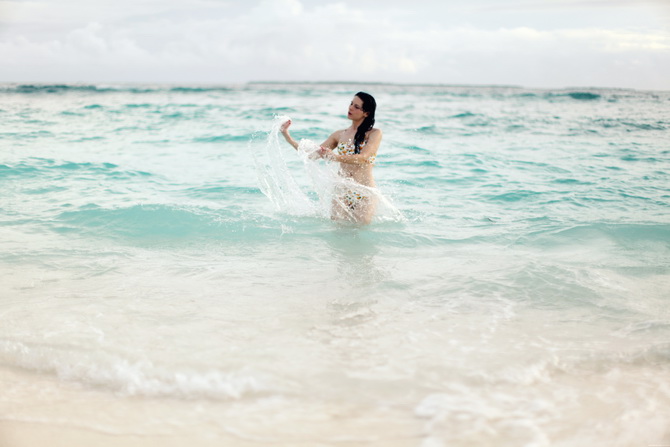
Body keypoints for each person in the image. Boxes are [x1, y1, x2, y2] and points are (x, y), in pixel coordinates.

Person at [280, 92, 382, 225]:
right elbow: (312, 155)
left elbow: (363, 158)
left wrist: (335, 157)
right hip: (341, 192)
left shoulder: (374, 133)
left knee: (361, 235)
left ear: (366, 113)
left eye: (356, 107)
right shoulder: (339, 135)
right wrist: (287, 136)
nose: (350, 108)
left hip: (364, 192)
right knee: (337, 234)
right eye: (351, 104)